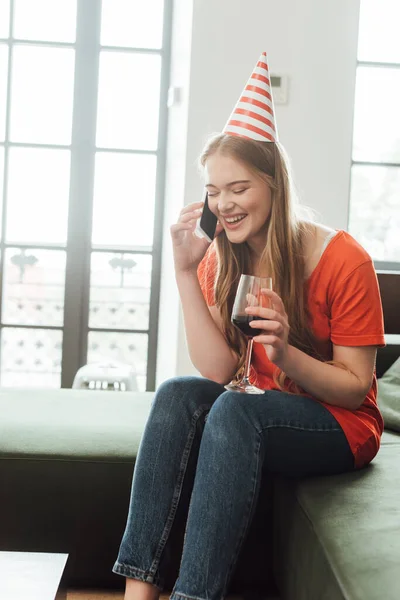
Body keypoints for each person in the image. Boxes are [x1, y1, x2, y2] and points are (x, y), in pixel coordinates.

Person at [113, 52, 385, 600]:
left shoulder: (342, 259)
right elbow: (216, 369)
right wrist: (187, 272)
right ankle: (137, 595)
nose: (224, 204)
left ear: (273, 183)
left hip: (341, 426)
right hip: (258, 410)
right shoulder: (221, 256)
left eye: (237, 188)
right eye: (214, 191)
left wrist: (285, 354)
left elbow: (357, 390)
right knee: (177, 395)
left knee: (238, 409)